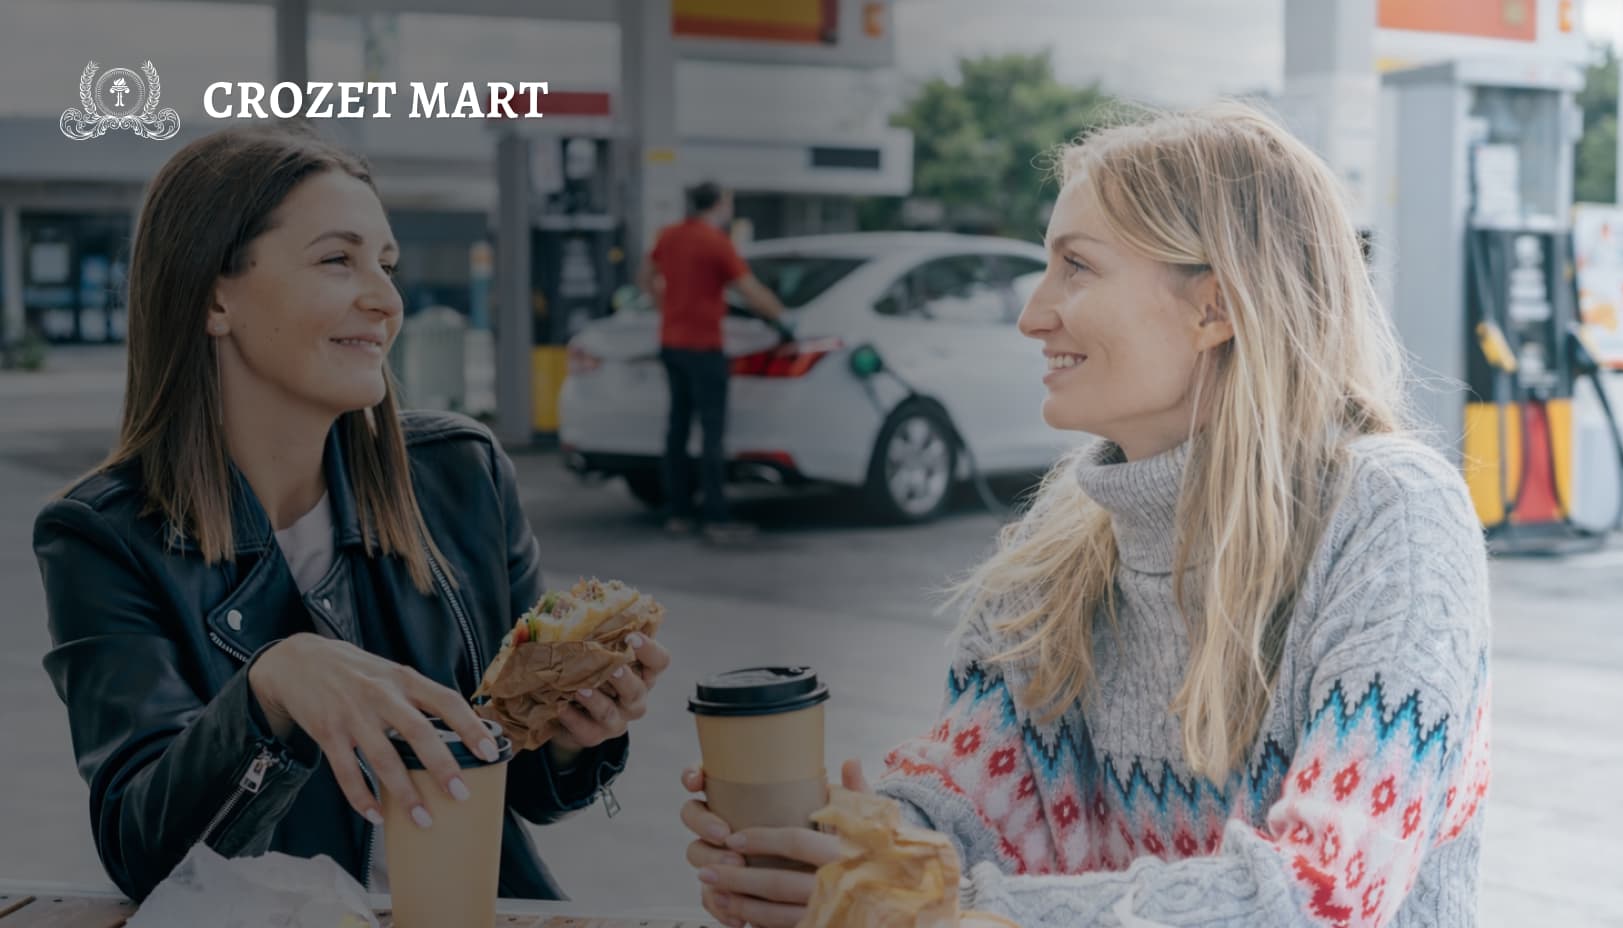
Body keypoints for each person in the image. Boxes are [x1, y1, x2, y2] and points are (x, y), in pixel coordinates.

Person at [680, 101, 1491, 927]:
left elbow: (1322, 894)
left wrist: (948, 917)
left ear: (1215, 308)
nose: (1032, 314)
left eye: (1077, 267)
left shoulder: (1392, 516)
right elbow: (972, 795)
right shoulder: (1065, 528)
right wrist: (852, 846)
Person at [33, 123, 671, 903]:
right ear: (213, 296)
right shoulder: (99, 537)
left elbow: (527, 784)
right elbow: (143, 851)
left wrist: (574, 734)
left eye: (387, 265)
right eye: (338, 260)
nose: (387, 299)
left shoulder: (461, 477)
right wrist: (271, 692)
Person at [640, 181, 786, 544]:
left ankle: (678, 513)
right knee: (711, 433)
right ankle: (716, 517)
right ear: (720, 204)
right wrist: (783, 317)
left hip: (671, 343)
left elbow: (646, 277)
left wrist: (666, 308)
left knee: (676, 429)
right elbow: (750, 291)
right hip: (704, 347)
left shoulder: (669, 236)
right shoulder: (716, 242)